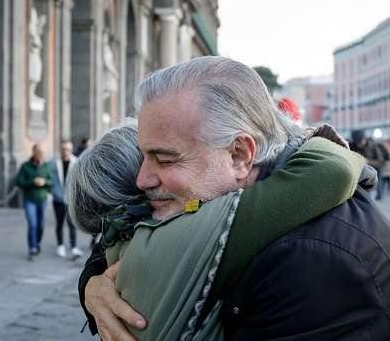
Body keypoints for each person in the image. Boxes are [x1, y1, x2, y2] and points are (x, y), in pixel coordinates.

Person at [79, 56, 390, 341]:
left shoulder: (312, 258)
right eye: (144, 154)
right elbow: (129, 229)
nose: (143, 178)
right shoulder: (214, 199)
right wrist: (94, 284)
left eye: (164, 158)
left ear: (240, 155)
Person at [67, 119, 366, 340]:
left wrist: (91, 285)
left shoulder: (127, 242)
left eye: (164, 158)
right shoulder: (202, 229)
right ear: (145, 192)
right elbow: (332, 170)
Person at [16, 144, 53, 259]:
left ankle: (37, 243)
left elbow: (52, 182)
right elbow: (19, 182)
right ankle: (32, 247)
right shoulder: (25, 166)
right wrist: (32, 181)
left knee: (40, 225)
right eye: (38, 153)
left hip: (42, 199)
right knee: (32, 224)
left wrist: (45, 182)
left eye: (42, 153)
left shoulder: (47, 166)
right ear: (33, 153)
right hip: (29, 199)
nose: (41, 155)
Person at [49, 140, 82, 259]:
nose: (65, 151)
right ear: (60, 149)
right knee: (59, 223)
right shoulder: (53, 162)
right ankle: (60, 246)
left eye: (67, 149)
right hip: (57, 198)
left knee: (72, 224)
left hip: (71, 199)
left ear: (71, 150)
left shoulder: (77, 162)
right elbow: (49, 178)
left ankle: (74, 247)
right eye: (63, 149)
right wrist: (52, 190)